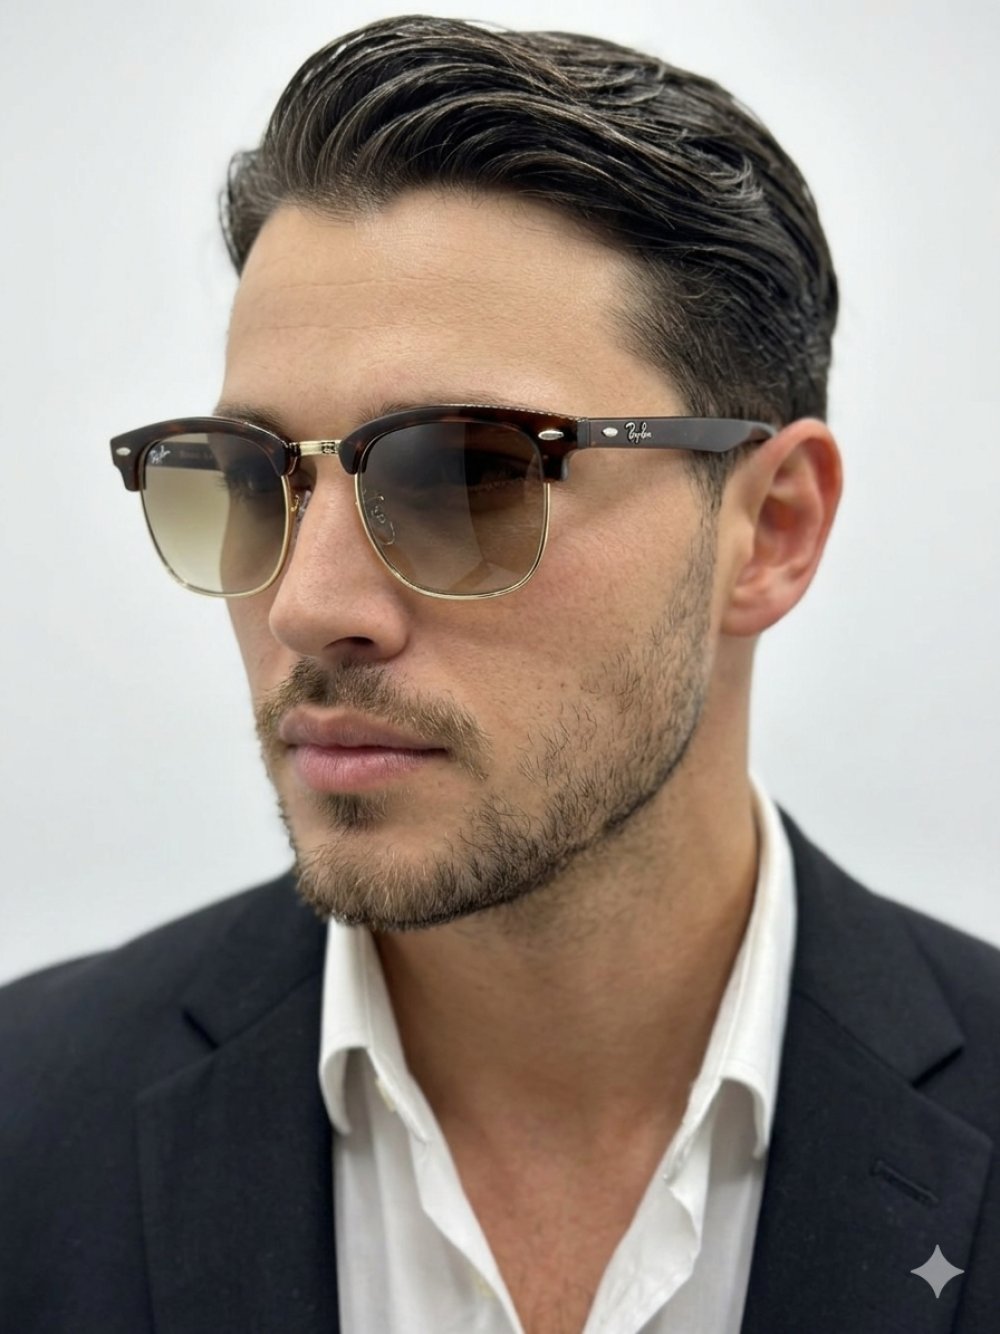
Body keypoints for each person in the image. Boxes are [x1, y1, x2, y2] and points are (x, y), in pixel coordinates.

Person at [2, 13, 998, 1333]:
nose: (307, 606)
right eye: (251, 480)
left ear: (770, 529)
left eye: (467, 475)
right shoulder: (27, 1125)